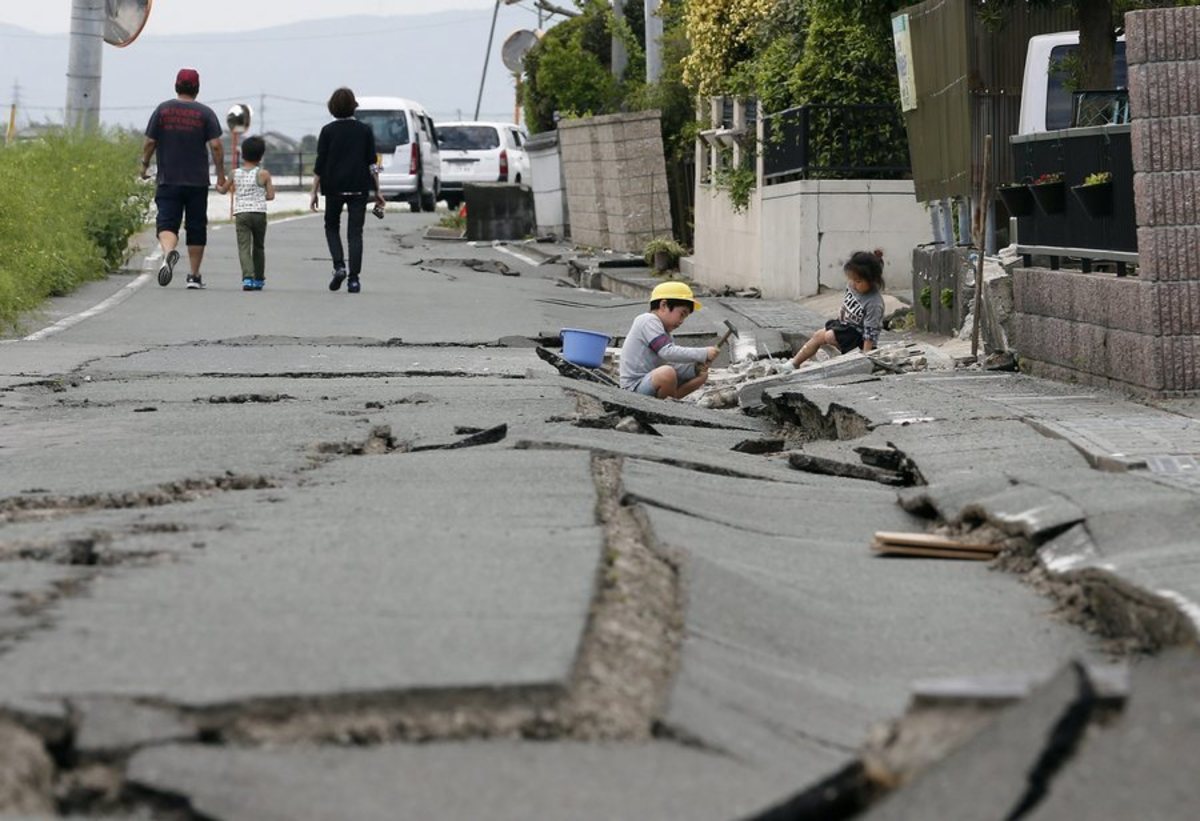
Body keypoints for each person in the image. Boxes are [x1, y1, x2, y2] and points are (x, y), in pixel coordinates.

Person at [141, 68, 225, 289]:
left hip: (168, 179)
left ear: (176, 86)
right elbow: (216, 145)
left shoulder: (163, 110)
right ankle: (194, 276)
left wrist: (144, 165)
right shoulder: (205, 113)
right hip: (197, 181)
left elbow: (150, 142)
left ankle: (169, 253)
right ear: (197, 88)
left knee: (167, 223)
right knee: (196, 226)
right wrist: (221, 174)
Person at [309, 87, 386, 294]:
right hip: (359, 187)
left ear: (332, 108)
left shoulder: (327, 131)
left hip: (333, 187)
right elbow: (373, 163)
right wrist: (378, 189)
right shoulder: (365, 130)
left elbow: (320, 163)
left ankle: (339, 266)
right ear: (354, 106)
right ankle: (354, 279)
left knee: (331, 226)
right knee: (355, 233)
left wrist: (314, 191)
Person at [779, 250, 886, 371]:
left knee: (829, 336)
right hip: (844, 325)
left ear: (873, 281)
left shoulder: (874, 303)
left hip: (858, 337)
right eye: (851, 279)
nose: (853, 284)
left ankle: (845, 358)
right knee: (818, 335)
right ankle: (794, 364)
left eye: (858, 281)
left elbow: (870, 332)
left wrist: (867, 355)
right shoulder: (852, 286)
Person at [620, 281, 718, 400]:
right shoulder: (647, 320)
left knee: (701, 375)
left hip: (648, 383)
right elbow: (667, 352)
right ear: (663, 305)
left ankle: (671, 402)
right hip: (633, 388)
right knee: (667, 373)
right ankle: (667, 408)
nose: (682, 321)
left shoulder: (665, 333)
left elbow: (670, 363)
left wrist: (695, 368)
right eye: (682, 314)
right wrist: (703, 353)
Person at [217, 136, 275, 291]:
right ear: (261, 155)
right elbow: (271, 196)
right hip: (259, 213)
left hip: (241, 213)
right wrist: (258, 196)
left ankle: (247, 278)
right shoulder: (264, 174)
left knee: (244, 246)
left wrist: (218, 186)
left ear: (242, 154)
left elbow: (223, 190)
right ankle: (259, 279)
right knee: (258, 246)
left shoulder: (234, 173)